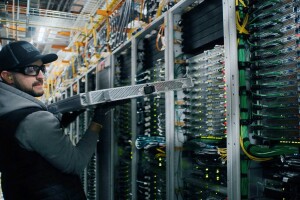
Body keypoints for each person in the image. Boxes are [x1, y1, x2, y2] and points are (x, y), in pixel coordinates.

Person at [0, 41, 104, 200]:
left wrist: (61, 122)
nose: (41, 76)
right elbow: (76, 163)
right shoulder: (35, 119)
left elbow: (27, 149)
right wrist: (98, 120)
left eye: (42, 68)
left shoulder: (7, 111)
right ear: (8, 76)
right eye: (31, 69)